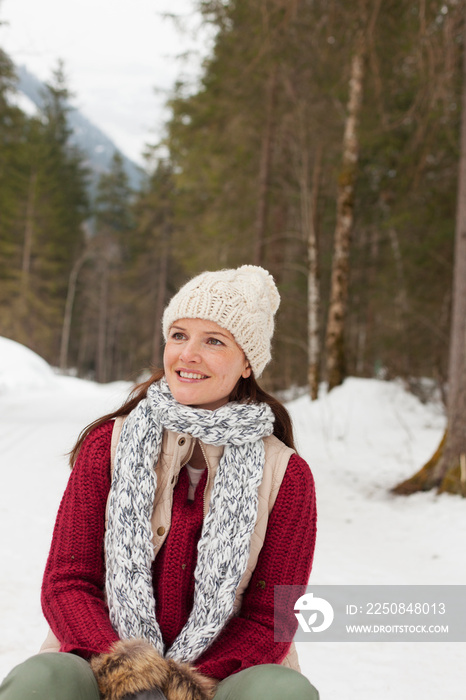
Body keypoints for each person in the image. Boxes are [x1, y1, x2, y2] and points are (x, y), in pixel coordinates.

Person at [0, 265, 318, 700]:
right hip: (101, 660)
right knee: (40, 681)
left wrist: (181, 686)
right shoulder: (107, 446)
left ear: (247, 363)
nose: (188, 354)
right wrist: (130, 673)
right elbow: (68, 583)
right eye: (179, 335)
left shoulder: (287, 475)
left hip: (223, 676)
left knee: (282, 692)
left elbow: (273, 618)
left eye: (214, 341)